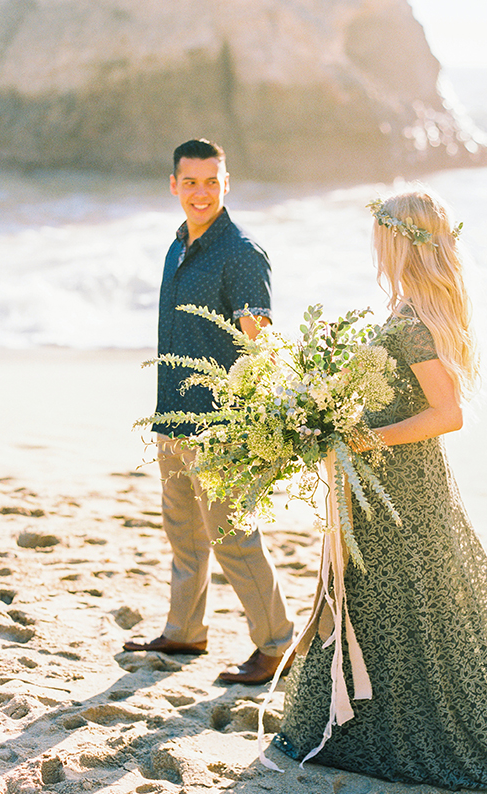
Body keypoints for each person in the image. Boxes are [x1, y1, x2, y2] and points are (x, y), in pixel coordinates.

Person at [272, 189, 487, 789]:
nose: (374, 246)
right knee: (392, 604)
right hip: (394, 481)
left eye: (381, 235)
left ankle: (423, 738)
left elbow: (447, 413)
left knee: (422, 606)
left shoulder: (413, 324)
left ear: (398, 241)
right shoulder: (411, 309)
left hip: (406, 484)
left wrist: (367, 440)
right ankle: (373, 730)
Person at [123, 138, 294, 685]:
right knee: (184, 534)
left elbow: (261, 344)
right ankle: (185, 631)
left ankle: (276, 644)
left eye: (211, 182)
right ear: (174, 185)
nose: (200, 193)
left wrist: (259, 419)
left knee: (233, 539)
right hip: (173, 415)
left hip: (221, 425)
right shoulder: (178, 246)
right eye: (190, 182)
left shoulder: (242, 253)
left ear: (227, 183)